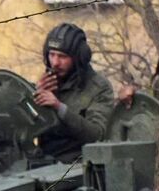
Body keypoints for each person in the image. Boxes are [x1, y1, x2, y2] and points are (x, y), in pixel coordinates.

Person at [30, 22, 117, 162]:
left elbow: (97, 134)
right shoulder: (47, 83)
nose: (55, 63)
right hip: (44, 162)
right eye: (52, 55)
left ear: (78, 58)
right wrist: (34, 96)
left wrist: (59, 108)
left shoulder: (98, 87)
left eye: (62, 56)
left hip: (79, 166)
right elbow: (24, 130)